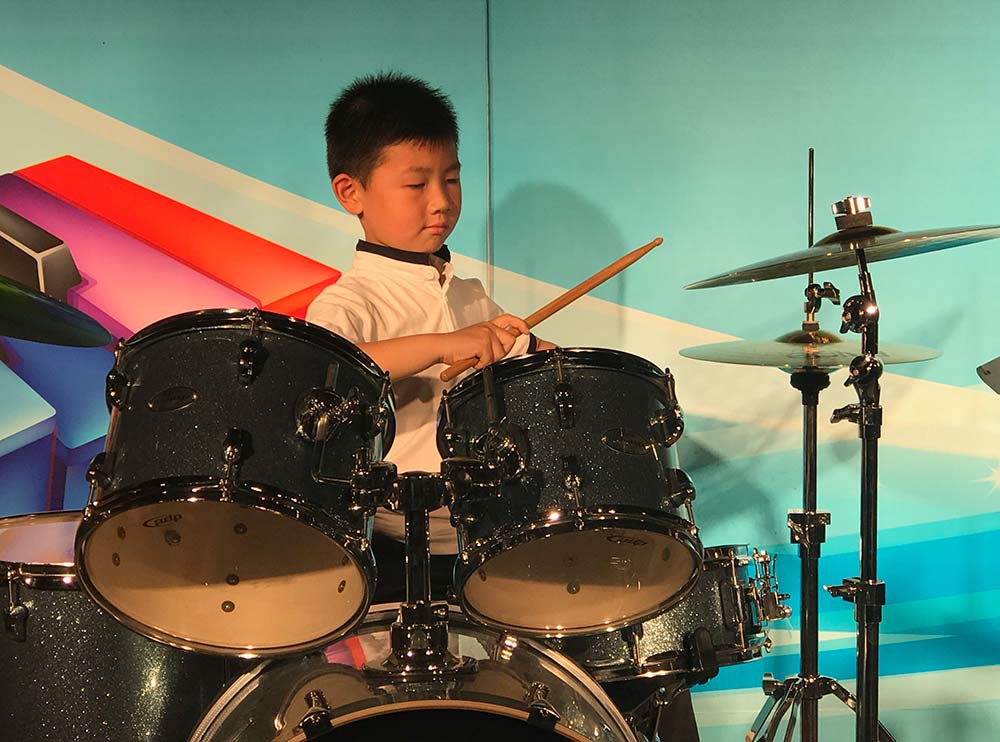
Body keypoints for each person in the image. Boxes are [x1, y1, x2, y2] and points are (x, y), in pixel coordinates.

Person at [306, 72, 554, 604]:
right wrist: (442, 344)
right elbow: (329, 370)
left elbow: (536, 363)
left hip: (482, 536)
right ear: (351, 192)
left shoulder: (470, 297)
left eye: (452, 179)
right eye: (417, 185)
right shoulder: (350, 302)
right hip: (391, 542)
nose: (441, 201)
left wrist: (544, 356)